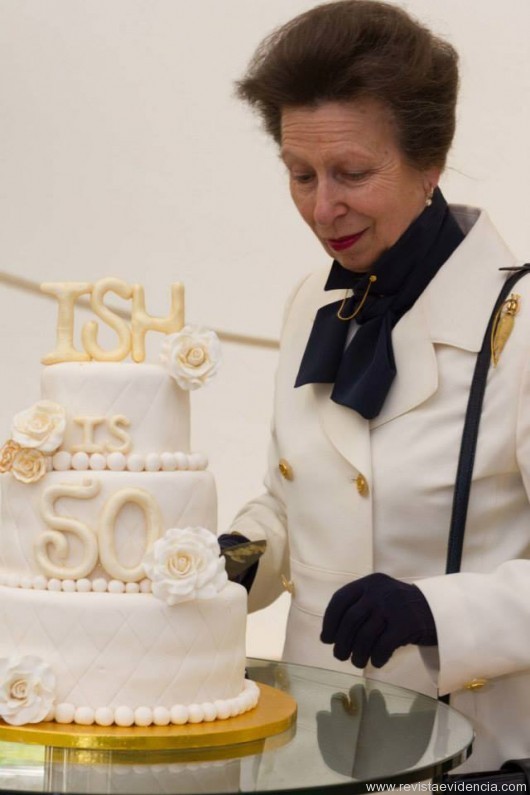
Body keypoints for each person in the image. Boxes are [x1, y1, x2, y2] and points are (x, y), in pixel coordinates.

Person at [221, 0, 530, 771]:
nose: (322, 208)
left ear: (431, 159)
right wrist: (240, 554)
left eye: (352, 173)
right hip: (314, 754)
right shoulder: (311, 305)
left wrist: (434, 610)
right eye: (300, 174)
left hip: (478, 762)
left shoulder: (523, 328)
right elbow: (293, 500)